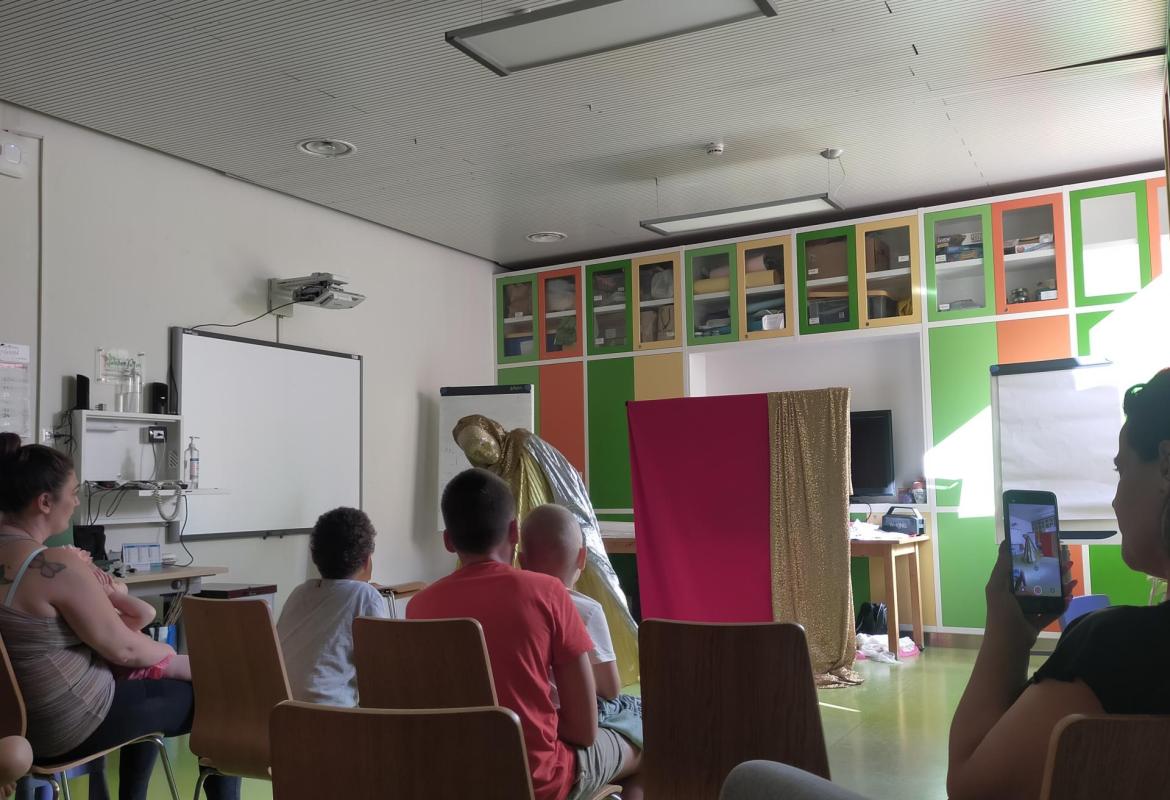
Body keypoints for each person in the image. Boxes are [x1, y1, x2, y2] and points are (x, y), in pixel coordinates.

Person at [947, 367, 1170, 800]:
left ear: (1166, 466)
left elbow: (971, 788)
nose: (1115, 500)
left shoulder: (1114, 648)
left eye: (1122, 471)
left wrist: (1008, 636)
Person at [0, 435, 238, 800]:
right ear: (45, 502)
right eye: (73, 493)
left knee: (147, 688)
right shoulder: (53, 565)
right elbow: (125, 649)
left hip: (13, 727)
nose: (76, 502)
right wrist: (171, 657)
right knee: (222, 694)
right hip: (68, 723)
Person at [408, 469, 641, 800]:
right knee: (645, 740)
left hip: (454, 777)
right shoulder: (549, 593)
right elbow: (584, 731)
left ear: (448, 541)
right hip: (537, 781)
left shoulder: (419, 607)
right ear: (514, 532)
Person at [452, 414, 639, 687]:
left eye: (483, 445)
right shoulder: (581, 610)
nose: (482, 453)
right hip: (556, 708)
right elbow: (603, 692)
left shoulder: (525, 448)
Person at [519, 504, 644, 760]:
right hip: (573, 722)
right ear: (582, 557)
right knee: (636, 713)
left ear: (522, 560)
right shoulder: (587, 610)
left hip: (529, 718)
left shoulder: (516, 605)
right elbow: (610, 689)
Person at [276, 506, 389, 706]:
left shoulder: (299, 593)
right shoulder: (365, 595)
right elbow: (381, 670)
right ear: (366, 560)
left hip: (282, 710)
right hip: (330, 712)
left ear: (315, 557)